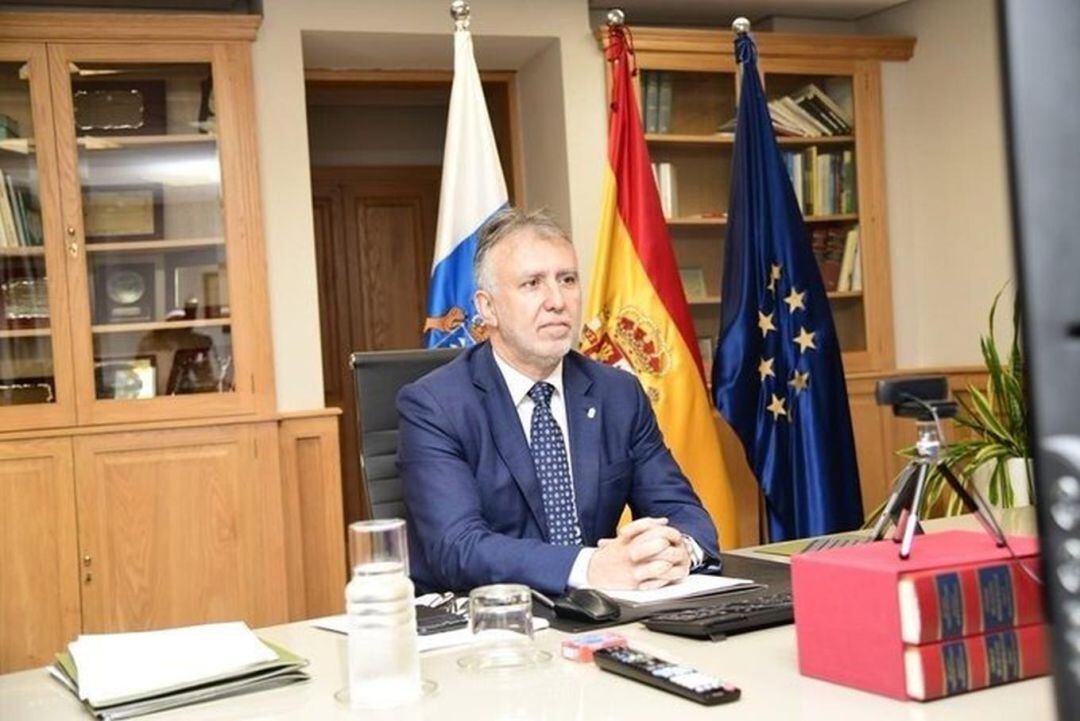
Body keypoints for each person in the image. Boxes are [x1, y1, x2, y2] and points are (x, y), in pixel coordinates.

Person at [397, 207, 720, 595]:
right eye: (532, 283)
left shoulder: (618, 393)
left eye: (567, 280)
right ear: (487, 307)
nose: (557, 301)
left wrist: (678, 550)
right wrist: (590, 567)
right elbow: (458, 547)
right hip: (489, 626)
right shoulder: (434, 405)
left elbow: (685, 513)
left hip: (602, 616)